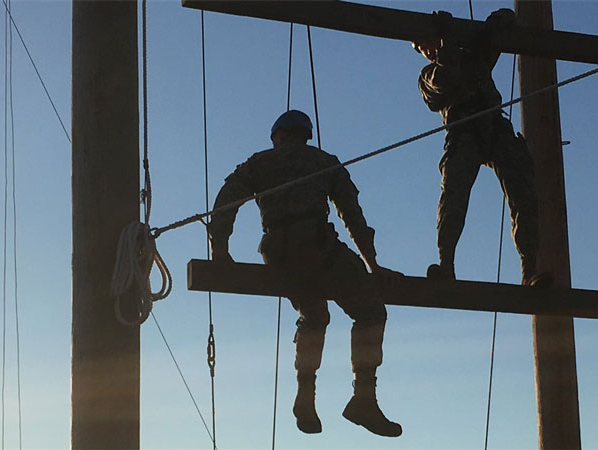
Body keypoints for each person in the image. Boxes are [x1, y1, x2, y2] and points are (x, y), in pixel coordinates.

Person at [207, 110, 403, 437]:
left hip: (279, 255)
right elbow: (353, 215)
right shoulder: (323, 161)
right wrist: (372, 265)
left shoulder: (259, 163)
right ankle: (363, 398)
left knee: (314, 316)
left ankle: (305, 395)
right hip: (317, 247)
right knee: (370, 312)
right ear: (304, 134)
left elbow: (226, 200)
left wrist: (220, 250)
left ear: (279, 136)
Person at [413, 9, 545, 285]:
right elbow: (447, 76)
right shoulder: (428, 76)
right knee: (454, 195)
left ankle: (529, 269)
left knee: (523, 196)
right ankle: (446, 264)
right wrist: (449, 38)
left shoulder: (474, 57)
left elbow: (506, 19)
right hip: (464, 133)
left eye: (426, 44)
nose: (425, 51)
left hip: (496, 129)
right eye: (420, 48)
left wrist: (484, 30)